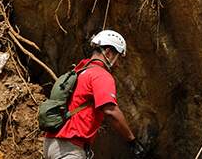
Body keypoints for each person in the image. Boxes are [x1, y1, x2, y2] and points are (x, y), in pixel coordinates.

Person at [43, 30, 146, 159]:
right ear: (108, 53)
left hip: (50, 145)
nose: (118, 64)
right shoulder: (100, 75)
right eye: (117, 58)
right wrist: (132, 141)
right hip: (70, 149)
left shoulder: (78, 71)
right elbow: (110, 111)